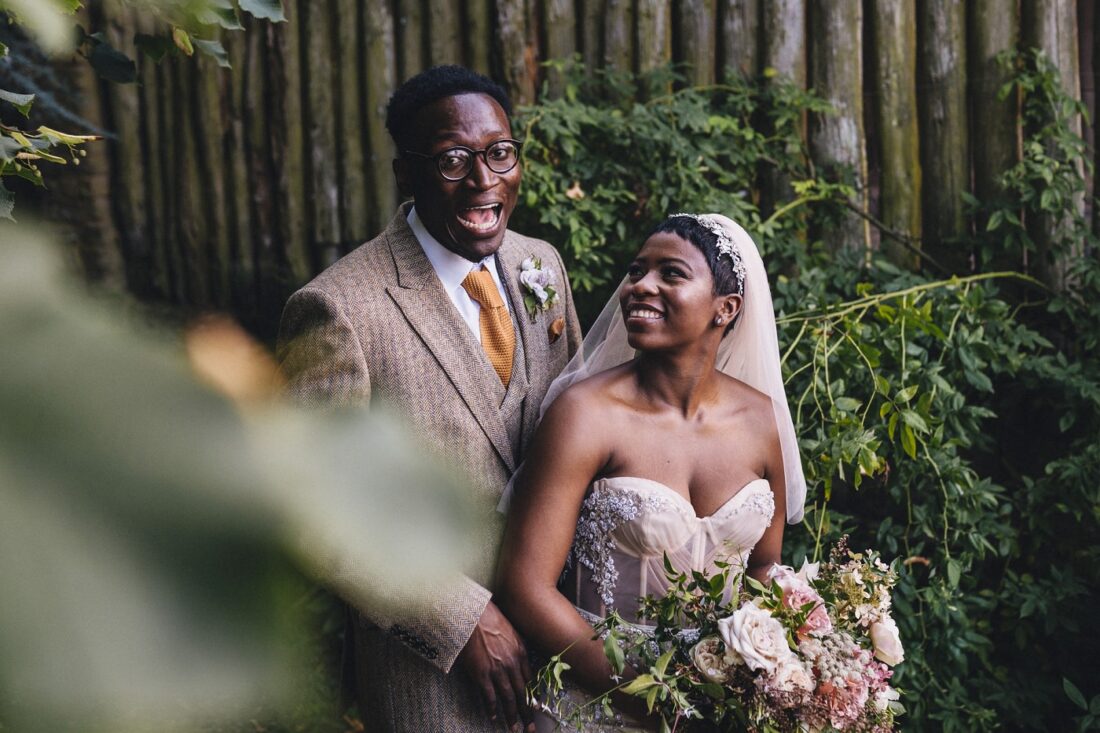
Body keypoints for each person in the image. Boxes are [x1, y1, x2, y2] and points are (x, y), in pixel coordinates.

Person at [277, 65, 582, 733]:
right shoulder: (340, 308)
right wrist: (457, 616)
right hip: (433, 681)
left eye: (499, 152)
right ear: (405, 174)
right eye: (452, 160)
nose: (483, 181)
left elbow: (583, 434)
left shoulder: (542, 267)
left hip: (563, 655)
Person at [497, 213, 806, 731]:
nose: (641, 285)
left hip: (722, 708)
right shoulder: (585, 414)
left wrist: (790, 660)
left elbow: (763, 568)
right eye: (638, 271)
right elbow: (526, 586)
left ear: (725, 309)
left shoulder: (761, 421)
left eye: (671, 274)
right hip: (599, 700)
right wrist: (657, 700)